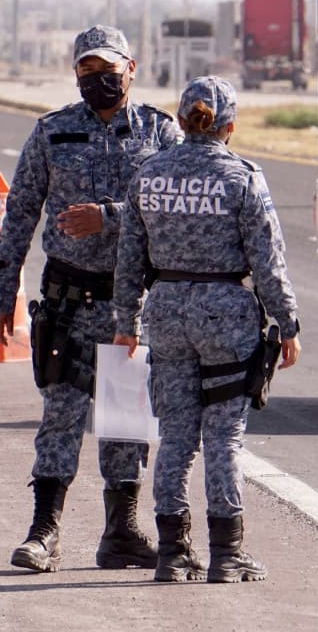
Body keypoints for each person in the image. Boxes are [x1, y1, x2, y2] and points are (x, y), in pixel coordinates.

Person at [0, 24, 182, 573]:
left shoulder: (160, 135)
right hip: (68, 301)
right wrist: (0, 294)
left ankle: (121, 531)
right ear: (75, 76)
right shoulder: (52, 132)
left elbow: (170, 212)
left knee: (125, 422)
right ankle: (43, 531)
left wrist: (109, 216)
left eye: (108, 70)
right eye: (86, 72)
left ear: (131, 68)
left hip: (129, 306)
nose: (98, 81)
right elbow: (19, 213)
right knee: (61, 417)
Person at [112, 75, 301, 584]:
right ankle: (227, 552)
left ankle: (173, 553)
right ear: (230, 126)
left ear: (180, 121)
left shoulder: (148, 175)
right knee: (224, 438)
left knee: (174, 435)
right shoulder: (242, 178)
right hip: (226, 317)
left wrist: (125, 323)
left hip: (166, 312)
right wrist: (287, 322)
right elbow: (268, 261)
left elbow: (129, 259)